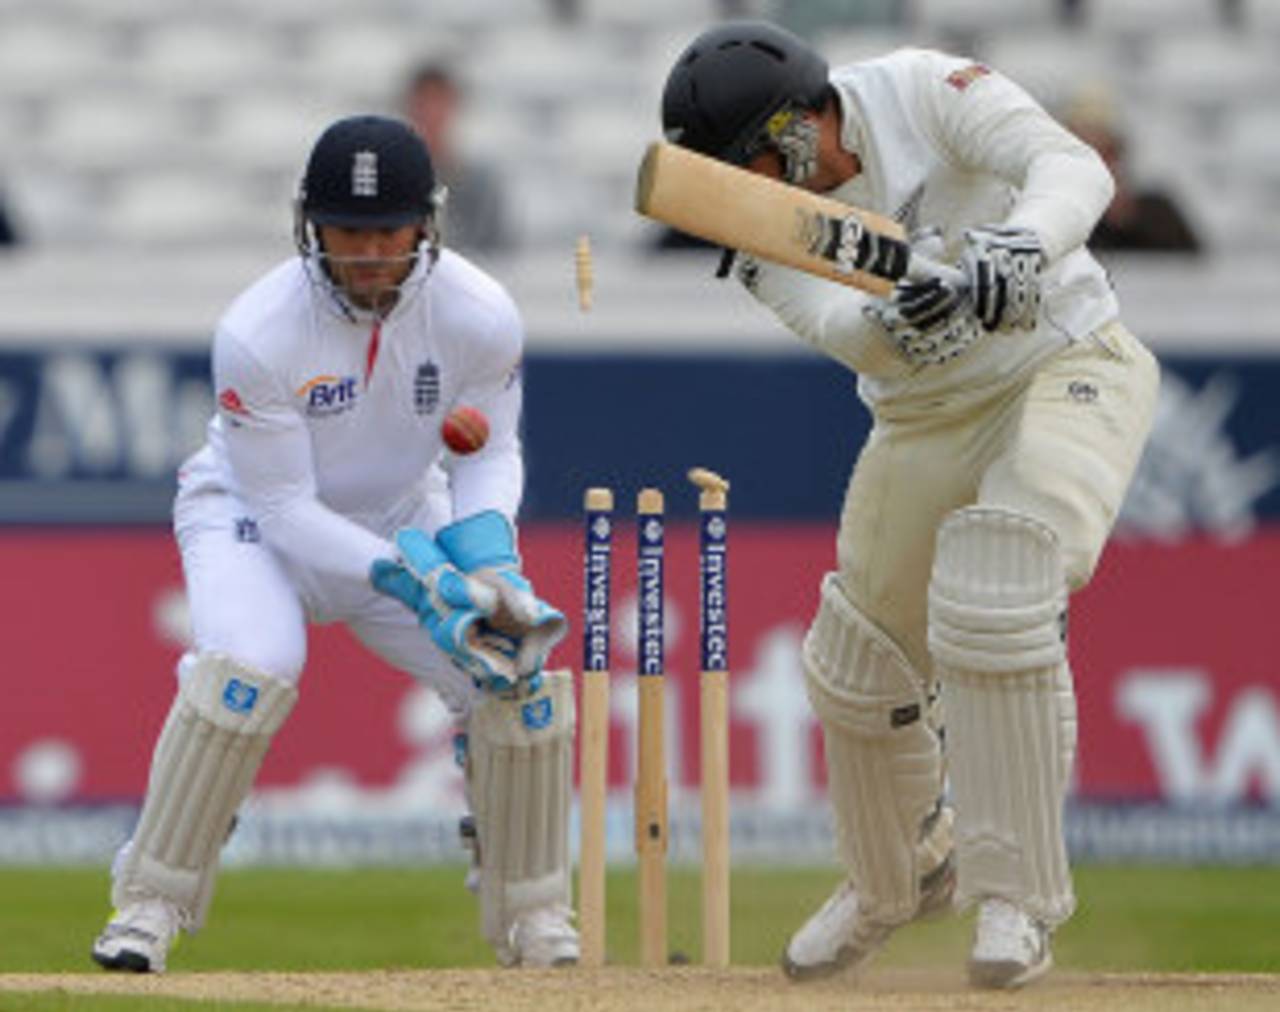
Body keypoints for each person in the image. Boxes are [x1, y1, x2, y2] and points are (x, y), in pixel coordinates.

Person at [659, 22, 1158, 990]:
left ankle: (1015, 898)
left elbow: (1071, 168)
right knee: (852, 663)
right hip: (923, 417)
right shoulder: (755, 226)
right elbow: (839, 326)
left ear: (796, 125)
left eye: (753, 160)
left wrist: (1018, 244)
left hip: (1065, 359)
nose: (747, 185)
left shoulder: (920, 90)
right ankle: (896, 875)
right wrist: (899, 315)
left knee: (1000, 580)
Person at [90, 115, 577, 973]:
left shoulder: (479, 313)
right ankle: (150, 905)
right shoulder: (259, 331)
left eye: (389, 231)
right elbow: (284, 508)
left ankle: (532, 915)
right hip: (252, 525)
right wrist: (412, 575)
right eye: (347, 232)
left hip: (398, 512)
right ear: (309, 226)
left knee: (509, 667)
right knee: (248, 669)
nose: (368, 254)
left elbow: (489, 453)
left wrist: (491, 563)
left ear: (428, 222)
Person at [1061, 86, 1202, 253]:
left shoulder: (1158, 210)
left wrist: (1126, 221)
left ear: (1118, 154)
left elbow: (1194, 267)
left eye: (1104, 152)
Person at [404, 62, 511, 256]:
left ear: (454, 106)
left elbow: (497, 248)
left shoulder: (482, 182)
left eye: (439, 101)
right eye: (423, 102)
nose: (431, 113)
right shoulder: (395, 179)